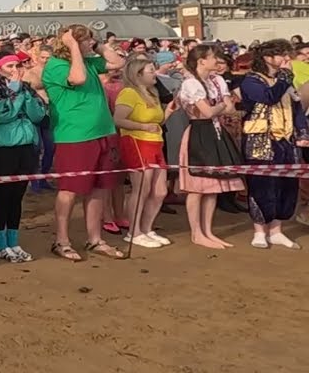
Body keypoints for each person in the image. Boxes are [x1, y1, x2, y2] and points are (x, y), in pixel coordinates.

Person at [41, 25, 125, 262]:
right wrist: (74, 47)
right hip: (74, 136)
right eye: (87, 40)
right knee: (69, 189)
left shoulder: (88, 61)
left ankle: (95, 238)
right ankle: (62, 240)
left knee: (99, 187)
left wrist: (95, 45)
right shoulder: (56, 65)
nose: (91, 44)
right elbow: (77, 79)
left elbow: (117, 62)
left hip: (101, 133)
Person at [176, 45, 245, 249]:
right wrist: (222, 105)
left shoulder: (215, 81)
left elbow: (227, 109)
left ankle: (207, 231)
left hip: (214, 132)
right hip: (199, 133)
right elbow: (208, 112)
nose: (217, 61)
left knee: (212, 187)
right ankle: (197, 233)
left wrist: (221, 106)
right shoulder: (191, 84)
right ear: (201, 61)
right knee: (197, 188)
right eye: (213, 58)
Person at [239, 39, 305, 249]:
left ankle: (276, 230)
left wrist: (302, 132)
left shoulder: (285, 81)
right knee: (262, 185)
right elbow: (269, 97)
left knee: (287, 186)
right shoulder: (251, 81)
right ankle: (259, 230)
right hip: (261, 141)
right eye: (282, 55)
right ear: (268, 58)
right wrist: (285, 77)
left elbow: (297, 109)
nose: (287, 60)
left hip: (286, 140)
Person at [0, 51, 46, 262]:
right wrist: (15, 94)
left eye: (17, 66)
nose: (15, 70)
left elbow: (38, 115)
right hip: (2, 147)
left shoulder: (27, 87)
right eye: (9, 67)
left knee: (18, 194)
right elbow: (1, 115)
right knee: (3, 195)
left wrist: (25, 96)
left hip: (26, 145)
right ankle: (0, 244)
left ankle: (14, 241)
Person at [113, 54, 171, 249]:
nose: (155, 74)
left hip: (155, 143)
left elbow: (157, 121)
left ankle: (147, 228)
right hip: (137, 142)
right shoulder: (129, 93)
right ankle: (134, 231)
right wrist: (143, 127)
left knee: (160, 190)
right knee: (142, 189)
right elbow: (118, 119)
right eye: (151, 71)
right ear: (138, 74)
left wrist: (169, 112)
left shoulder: (152, 93)